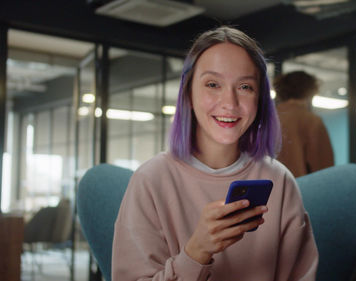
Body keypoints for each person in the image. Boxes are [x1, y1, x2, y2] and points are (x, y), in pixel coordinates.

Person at [112, 26, 318, 281]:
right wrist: (196, 252)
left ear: (259, 99)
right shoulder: (151, 180)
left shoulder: (280, 180)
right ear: (187, 93)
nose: (230, 103)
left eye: (245, 86)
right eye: (213, 84)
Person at [274, 71, 334, 177]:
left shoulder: (264, 119)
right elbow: (324, 171)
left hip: (265, 190)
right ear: (310, 92)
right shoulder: (311, 121)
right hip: (300, 190)